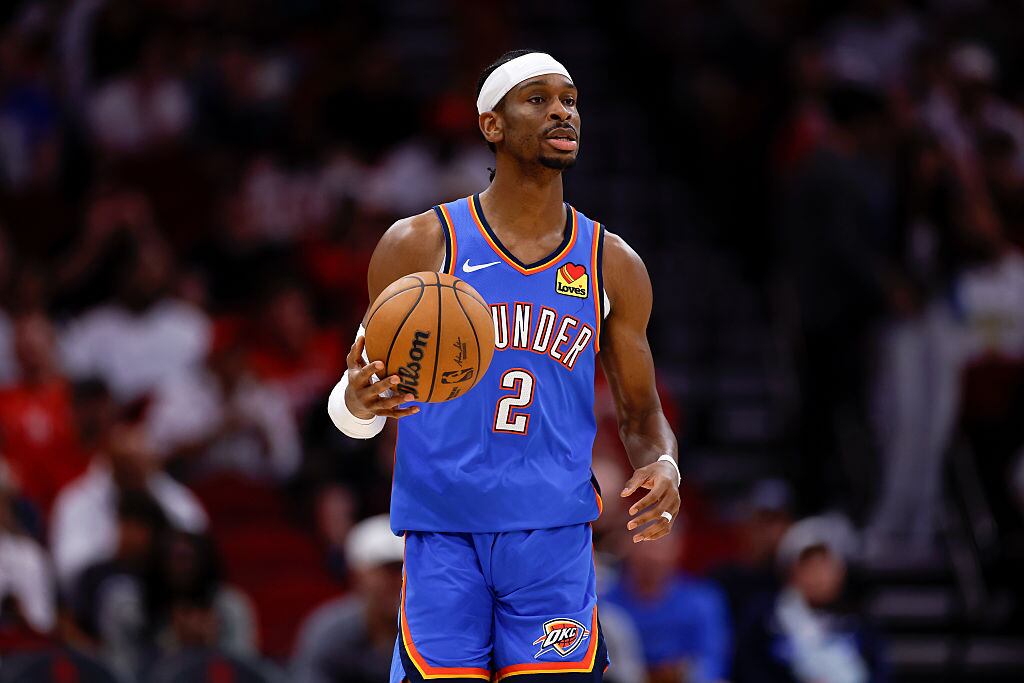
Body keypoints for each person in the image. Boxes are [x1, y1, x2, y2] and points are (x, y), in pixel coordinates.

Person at [327, 50, 681, 682]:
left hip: (553, 538)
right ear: (491, 124)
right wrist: (357, 404)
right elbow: (354, 406)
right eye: (538, 99)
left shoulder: (611, 262)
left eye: (570, 100)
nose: (562, 112)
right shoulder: (421, 243)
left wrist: (663, 463)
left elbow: (642, 415)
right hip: (443, 533)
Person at [733, 517, 887, 683]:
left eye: (825, 566)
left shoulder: (858, 622)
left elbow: (879, 673)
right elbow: (748, 670)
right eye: (809, 566)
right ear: (790, 572)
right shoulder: (765, 619)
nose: (819, 577)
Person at [603, 529, 730, 683]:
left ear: (678, 549)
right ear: (626, 546)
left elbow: (711, 661)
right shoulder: (604, 605)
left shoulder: (702, 601)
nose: (652, 556)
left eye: (660, 546)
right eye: (644, 545)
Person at [291, 514, 404, 683]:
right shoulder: (330, 634)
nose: (400, 581)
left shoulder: (432, 631)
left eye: (406, 571)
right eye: (389, 571)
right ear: (357, 575)